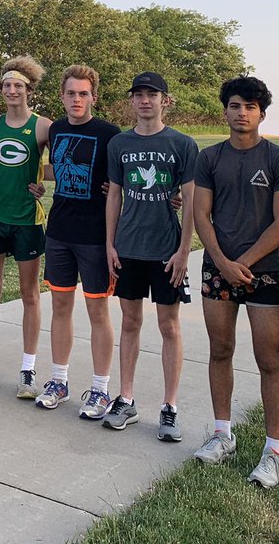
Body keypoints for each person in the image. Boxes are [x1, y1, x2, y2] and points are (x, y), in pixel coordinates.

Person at [191, 76, 279, 488]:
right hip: (217, 268)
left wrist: (243, 263)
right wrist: (222, 261)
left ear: (262, 114)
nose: (242, 113)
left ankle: (273, 452)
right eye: (235, 105)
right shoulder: (209, 157)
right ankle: (222, 434)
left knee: (268, 359)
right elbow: (201, 214)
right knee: (220, 350)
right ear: (225, 111)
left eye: (250, 107)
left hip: (263, 271)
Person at [103, 72, 197, 442]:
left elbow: (191, 200)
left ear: (165, 101)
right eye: (139, 94)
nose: (145, 100)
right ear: (132, 101)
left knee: (169, 326)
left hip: (166, 251)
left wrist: (184, 250)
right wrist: (110, 244)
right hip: (129, 247)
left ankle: (169, 407)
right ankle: (126, 399)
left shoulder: (182, 144)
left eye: (152, 95)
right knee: (130, 322)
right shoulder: (119, 144)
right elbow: (114, 195)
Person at [37, 64, 120, 419]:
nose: (76, 99)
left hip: (94, 237)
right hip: (59, 232)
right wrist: (33, 179)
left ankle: (100, 389)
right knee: (60, 307)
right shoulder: (55, 129)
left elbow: (122, 180)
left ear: (93, 97)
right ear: (62, 96)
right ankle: (58, 381)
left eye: (83, 93)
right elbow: (54, 168)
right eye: (71, 93)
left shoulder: (109, 133)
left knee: (98, 311)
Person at [0, 56, 49, 398]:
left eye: (18, 85)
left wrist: (43, 182)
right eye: (6, 85)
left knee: (30, 294)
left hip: (27, 220)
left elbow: (60, 166)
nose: (12, 90)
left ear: (29, 90)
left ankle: (28, 371)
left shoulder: (43, 126)